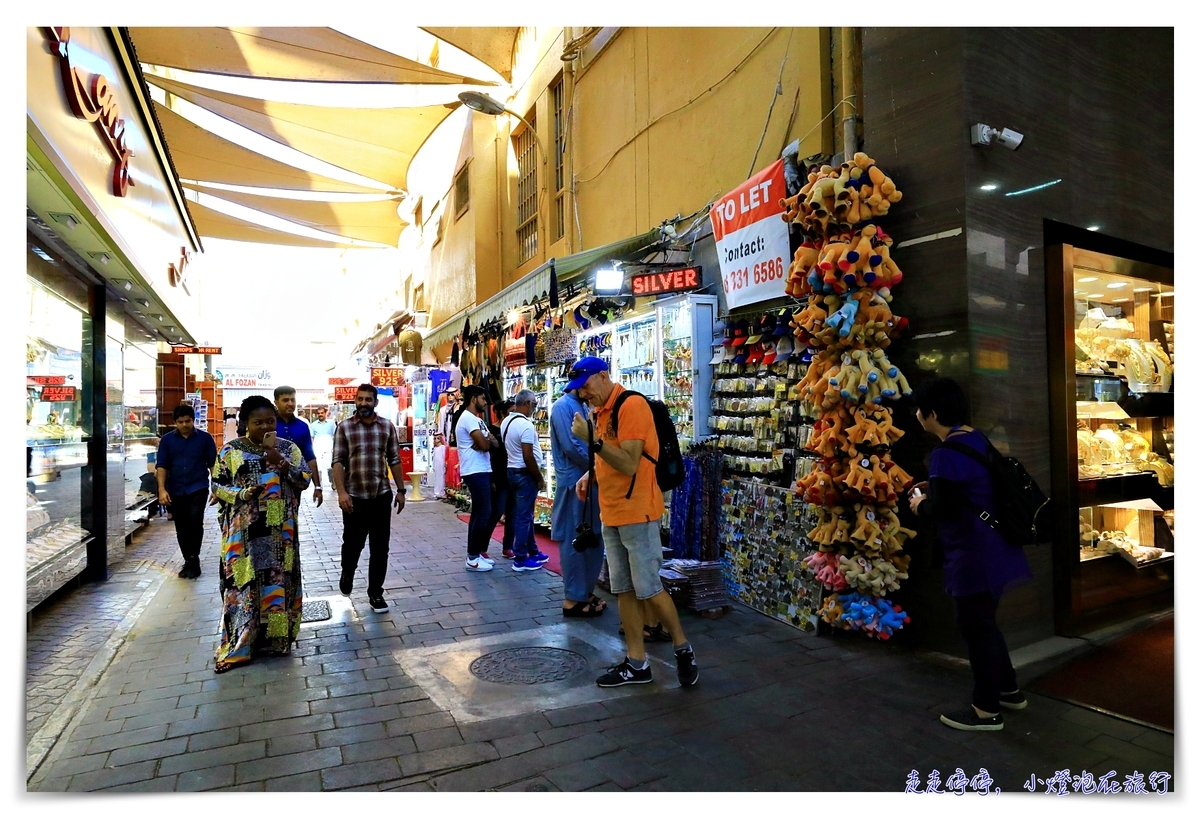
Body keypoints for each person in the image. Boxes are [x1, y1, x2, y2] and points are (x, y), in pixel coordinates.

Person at [907, 377, 1033, 732]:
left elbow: (943, 510)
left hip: (973, 554)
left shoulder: (945, 453)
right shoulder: (974, 437)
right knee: (986, 624)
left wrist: (920, 504)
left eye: (919, 409)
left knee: (976, 628)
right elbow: (973, 486)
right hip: (997, 548)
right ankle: (1009, 690)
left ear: (931, 414)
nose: (917, 414)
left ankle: (985, 710)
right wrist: (935, 489)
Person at [567, 357, 698, 688]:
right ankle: (637, 662)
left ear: (602, 376)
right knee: (622, 589)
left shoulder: (632, 405)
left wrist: (591, 440)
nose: (583, 394)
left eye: (586, 385)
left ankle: (683, 648)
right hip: (610, 512)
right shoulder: (601, 413)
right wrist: (589, 474)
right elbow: (608, 457)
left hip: (638, 512)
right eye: (578, 390)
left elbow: (628, 463)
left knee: (649, 588)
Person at [210, 396, 311, 672]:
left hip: (281, 536)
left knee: (277, 585)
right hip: (245, 537)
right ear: (245, 424)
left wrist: (281, 463)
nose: (266, 426)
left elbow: (304, 480)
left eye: (270, 421)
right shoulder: (231, 451)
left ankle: (277, 642)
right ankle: (239, 647)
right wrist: (241, 493)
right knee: (242, 588)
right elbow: (217, 485)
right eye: (258, 422)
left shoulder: (287, 449)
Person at [332, 383, 406, 613]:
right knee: (352, 545)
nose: (364, 403)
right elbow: (337, 462)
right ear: (356, 400)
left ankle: (376, 593)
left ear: (375, 402)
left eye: (368, 399)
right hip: (354, 498)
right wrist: (342, 492)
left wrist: (402, 490)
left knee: (380, 548)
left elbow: (394, 459)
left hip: (380, 496)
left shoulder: (386, 427)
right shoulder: (344, 427)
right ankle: (348, 571)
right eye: (360, 399)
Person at [551, 386, 606, 617]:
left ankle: (584, 591)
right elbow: (572, 446)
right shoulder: (563, 407)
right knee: (575, 538)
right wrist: (599, 464)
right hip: (575, 481)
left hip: (589, 480)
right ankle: (574, 597)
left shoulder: (584, 405)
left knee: (592, 537)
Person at [156, 403, 218, 579]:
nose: (185, 425)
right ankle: (188, 560)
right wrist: (161, 490)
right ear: (175, 422)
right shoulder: (167, 441)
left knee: (195, 521)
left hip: (198, 487)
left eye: (188, 421)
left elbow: (213, 464)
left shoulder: (205, 439)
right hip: (175, 488)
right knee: (181, 526)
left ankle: (194, 558)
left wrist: (216, 487)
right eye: (181, 422)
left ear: (194, 420)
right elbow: (162, 466)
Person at [501, 389, 550, 572]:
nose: (534, 408)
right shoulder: (526, 425)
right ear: (527, 403)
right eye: (534, 405)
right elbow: (528, 455)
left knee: (525, 514)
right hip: (524, 474)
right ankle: (520, 558)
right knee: (524, 516)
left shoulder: (507, 421)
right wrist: (539, 477)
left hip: (513, 471)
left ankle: (532, 550)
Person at [456, 385, 499, 572]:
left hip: (482, 469)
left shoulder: (477, 420)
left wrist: (486, 441)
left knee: (480, 513)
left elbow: (494, 443)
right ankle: (472, 557)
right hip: (475, 471)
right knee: (483, 512)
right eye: (482, 398)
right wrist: (485, 441)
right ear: (473, 399)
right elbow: (485, 444)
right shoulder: (467, 419)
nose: (485, 402)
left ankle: (475, 554)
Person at [274, 386, 323, 507]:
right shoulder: (268, 424)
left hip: (294, 484)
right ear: (276, 402)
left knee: (291, 521)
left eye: (293, 400)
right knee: (271, 521)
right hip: (270, 484)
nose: (290, 403)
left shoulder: (302, 426)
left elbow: (309, 456)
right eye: (285, 400)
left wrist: (317, 486)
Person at [487, 400, 516, 559]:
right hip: (499, 476)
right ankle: (483, 545)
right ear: (501, 413)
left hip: (513, 474)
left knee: (513, 513)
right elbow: (489, 456)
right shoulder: (492, 430)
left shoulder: (514, 428)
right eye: (510, 411)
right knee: (497, 511)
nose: (513, 414)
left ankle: (508, 546)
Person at [308, 406, 337, 490]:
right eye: (319, 413)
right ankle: (319, 484)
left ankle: (333, 482)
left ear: (325, 413)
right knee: (318, 466)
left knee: (330, 466)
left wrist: (334, 447)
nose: (320, 415)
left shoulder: (331, 423)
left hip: (329, 447)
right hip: (318, 447)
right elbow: (312, 438)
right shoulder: (313, 425)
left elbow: (335, 435)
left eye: (322, 413)